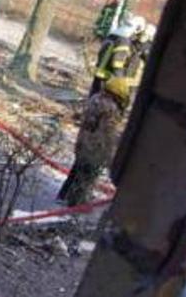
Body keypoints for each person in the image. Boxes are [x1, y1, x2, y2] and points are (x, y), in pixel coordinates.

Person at [58, 77, 130, 206]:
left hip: (83, 143)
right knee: (86, 178)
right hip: (96, 149)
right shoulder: (111, 110)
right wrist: (110, 157)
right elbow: (108, 135)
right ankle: (75, 204)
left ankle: (63, 195)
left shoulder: (95, 99)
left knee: (76, 171)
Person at [90, 17, 141, 95]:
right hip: (108, 78)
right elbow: (117, 62)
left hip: (99, 73)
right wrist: (119, 81)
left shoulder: (112, 35)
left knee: (94, 98)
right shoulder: (124, 40)